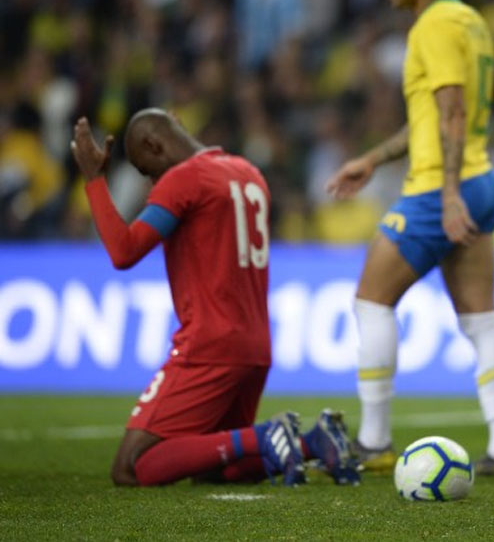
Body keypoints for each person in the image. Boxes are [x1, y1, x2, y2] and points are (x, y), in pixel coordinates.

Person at [71, 110, 357, 486]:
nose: (153, 182)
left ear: (155, 145)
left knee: (131, 467)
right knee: (210, 467)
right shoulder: (248, 172)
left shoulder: (183, 180)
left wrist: (94, 180)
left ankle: (263, 435)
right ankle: (311, 444)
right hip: (255, 349)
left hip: (210, 344)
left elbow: (124, 252)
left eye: (147, 170)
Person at [326, 0, 494, 476]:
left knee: (371, 301)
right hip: (482, 179)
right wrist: (372, 158)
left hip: (440, 188)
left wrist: (449, 194)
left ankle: (372, 442)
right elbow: (433, 118)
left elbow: (451, 110)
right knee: (480, 319)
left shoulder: (432, 25)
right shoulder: (470, 21)